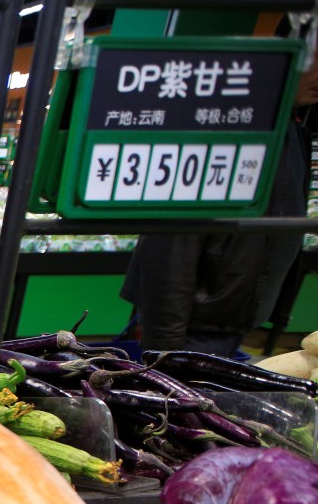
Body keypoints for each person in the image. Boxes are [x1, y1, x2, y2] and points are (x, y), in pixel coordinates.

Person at [121, 36, 318, 356]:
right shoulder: (223, 126)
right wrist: (165, 352)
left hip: (227, 319)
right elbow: (171, 245)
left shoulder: (289, 127)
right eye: (315, 60)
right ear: (282, 56)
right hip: (194, 325)